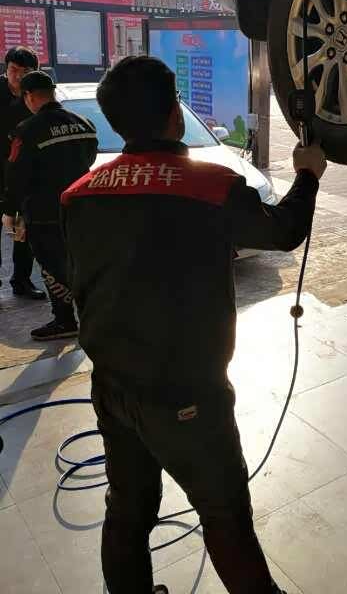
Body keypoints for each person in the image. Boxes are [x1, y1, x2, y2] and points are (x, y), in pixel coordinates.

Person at [60, 55, 327, 594]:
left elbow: (78, 276)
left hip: (112, 387)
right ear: (175, 114)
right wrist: (307, 174)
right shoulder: (212, 185)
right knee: (225, 516)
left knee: (128, 508)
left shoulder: (80, 194)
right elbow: (282, 232)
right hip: (187, 396)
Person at [2, 71, 98, 340]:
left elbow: (17, 174)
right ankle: (91, 316)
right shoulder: (85, 124)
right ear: (53, 92)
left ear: (29, 97)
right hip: (80, 207)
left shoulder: (27, 130)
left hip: (44, 211)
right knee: (81, 262)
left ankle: (64, 320)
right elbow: (89, 159)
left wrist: (10, 211)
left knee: (51, 265)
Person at [0, 46, 46, 299]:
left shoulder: (37, 96)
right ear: (6, 69)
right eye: (13, 70)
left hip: (24, 172)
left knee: (23, 229)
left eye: (24, 71)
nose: (17, 76)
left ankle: (22, 280)